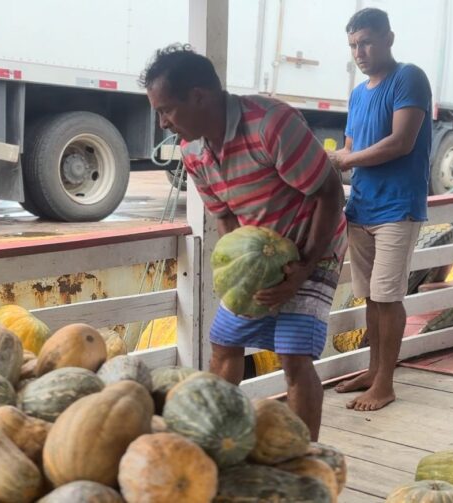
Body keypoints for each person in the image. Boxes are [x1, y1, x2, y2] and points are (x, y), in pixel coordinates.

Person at [141, 44, 347, 440]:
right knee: (224, 344)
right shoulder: (192, 151)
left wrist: (303, 267)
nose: (162, 122)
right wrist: (243, 274)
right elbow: (226, 216)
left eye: (166, 109)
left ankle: (303, 461)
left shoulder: (271, 125)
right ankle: (215, 436)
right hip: (260, 253)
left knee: (293, 356)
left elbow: (330, 192)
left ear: (198, 96)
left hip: (313, 245)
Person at [328, 8, 432, 411]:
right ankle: (374, 371)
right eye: (354, 45)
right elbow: (351, 148)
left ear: (389, 38)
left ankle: (386, 383)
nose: (360, 51)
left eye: (368, 41)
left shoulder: (408, 77)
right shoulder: (358, 93)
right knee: (372, 298)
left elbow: (400, 142)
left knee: (388, 298)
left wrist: (345, 161)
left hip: (397, 208)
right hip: (362, 208)